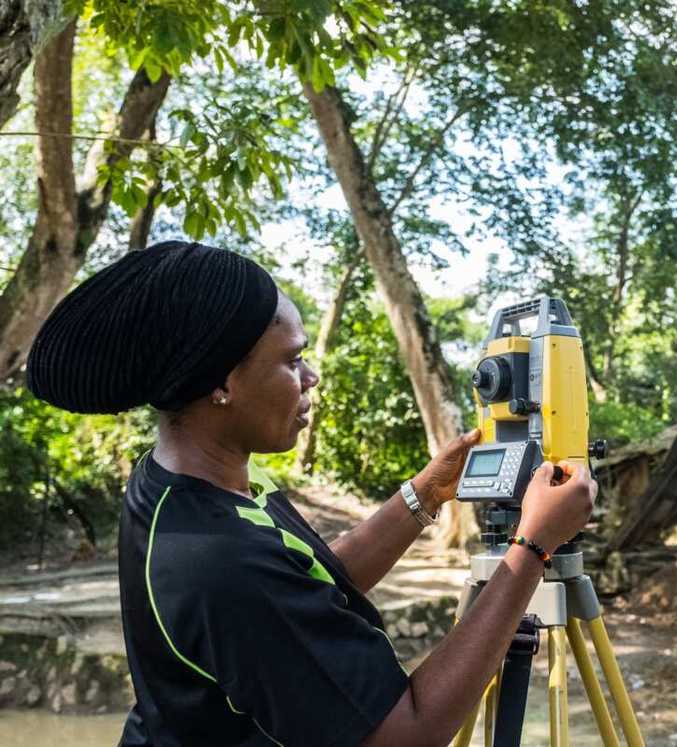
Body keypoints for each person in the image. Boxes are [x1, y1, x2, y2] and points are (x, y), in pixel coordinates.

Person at [26, 241, 597, 746]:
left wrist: (427, 491)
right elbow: (406, 732)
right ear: (221, 384)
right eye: (291, 360)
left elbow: (312, 581)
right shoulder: (218, 559)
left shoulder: (187, 481)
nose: (311, 378)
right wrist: (532, 548)